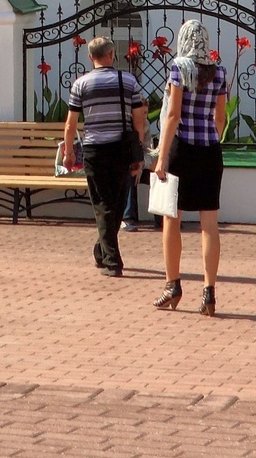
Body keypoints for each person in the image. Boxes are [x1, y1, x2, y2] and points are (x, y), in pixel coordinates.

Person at [149, 19, 228, 314]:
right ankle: (209, 292)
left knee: (172, 219)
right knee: (210, 225)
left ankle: (173, 285)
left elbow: (172, 115)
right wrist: (212, 138)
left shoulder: (178, 68)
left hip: (182, 149)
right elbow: (220, 118)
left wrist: (161, 157)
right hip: (209, 150)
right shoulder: (218, 71)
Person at [59, 34, 149, 277]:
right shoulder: (128, 81)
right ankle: (111, 259)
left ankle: (104, 252)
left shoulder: (81, 84)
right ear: (112, 55)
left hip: (94, 150)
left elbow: (71, 123)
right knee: (117, 203)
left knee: (102, 202)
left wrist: (68, 152)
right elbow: (139, 117)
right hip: (121, 148)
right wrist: (138, 148)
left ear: (90, 57)